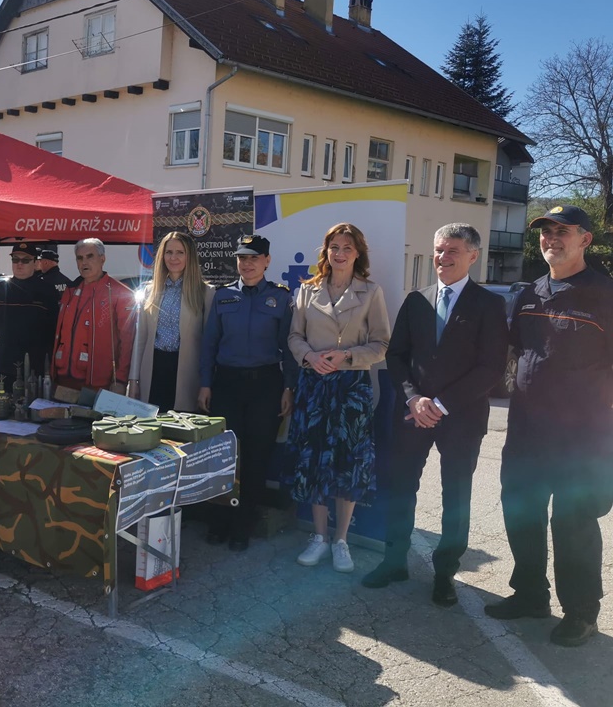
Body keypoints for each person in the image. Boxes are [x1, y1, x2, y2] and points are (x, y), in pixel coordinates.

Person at [484, 205, 613, 647]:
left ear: (585, 240)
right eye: (546, 231)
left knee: (573, 522)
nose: (551, 238)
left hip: (581, 436)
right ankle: (530, 594)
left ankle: (581, 612)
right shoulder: (529, 294)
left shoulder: (604, 294)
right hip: (526, 430)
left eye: (563, 231)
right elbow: (515, 351)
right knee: (522, 511)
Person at [362, 223, 507, 606]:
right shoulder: (417, 300)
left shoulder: (489, 305)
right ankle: (395, 561)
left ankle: (445, 573)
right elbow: (396, 356)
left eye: (452, 251)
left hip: (462, 418)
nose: (443, 258)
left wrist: (440, 404)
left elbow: (492, 367)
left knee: (455, 496)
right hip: (413, 415)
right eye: (439, 250)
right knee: (400, 487)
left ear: (473, 256)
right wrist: (413, 399)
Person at [287, 223, 391, 573]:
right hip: (314, 384)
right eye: (334, 246)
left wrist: (347, 356)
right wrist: (309, 357)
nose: (340, 253)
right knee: (315, 460)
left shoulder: (371, 292)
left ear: (358, 253)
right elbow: (294, 336)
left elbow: (381, 344)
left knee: (348, 463)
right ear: (326, 251)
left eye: (347, 247)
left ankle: (341, 540)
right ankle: (318, 537)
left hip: (351, 387)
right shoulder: (307, 290)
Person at [198, 234, 298, 552]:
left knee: (256, 456)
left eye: (254, 257)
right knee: (224, 455)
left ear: (267, 261)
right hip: (227, 383)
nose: (247, 263)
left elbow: (289, 348)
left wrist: (288, 387)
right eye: (242, 257)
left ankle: (244, 523)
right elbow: (209, 343)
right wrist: (205, 382)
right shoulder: (223, 296)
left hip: (265, 385)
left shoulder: (281, 298)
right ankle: (220, 520)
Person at [128, 231, 215, 412]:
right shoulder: (148, 291)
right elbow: (140, 339)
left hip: (187, 373)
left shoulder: (205, 293)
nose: (173, 258)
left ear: (189, 256)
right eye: (169, 252)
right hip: (153, 369)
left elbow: (210, 343)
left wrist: (206, 383)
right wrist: (133, 379)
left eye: (180, 252)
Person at [52, 238, 137, 393]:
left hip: (99, 385)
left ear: (102, 259)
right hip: (63, 381)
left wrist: (120, 380)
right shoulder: (69, 292)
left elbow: (127, 342)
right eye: (80, 258)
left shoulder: (120, 293)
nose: (84, 262)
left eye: (90, 256)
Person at [0, 242, 60, 391]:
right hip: (5, 364)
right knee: (3, 402)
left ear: (35, 263)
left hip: (35, 367)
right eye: (15, 259)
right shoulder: (1, 288)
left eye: (25, 260)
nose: (19, 264)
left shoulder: (47, 290)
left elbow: (54, 328)